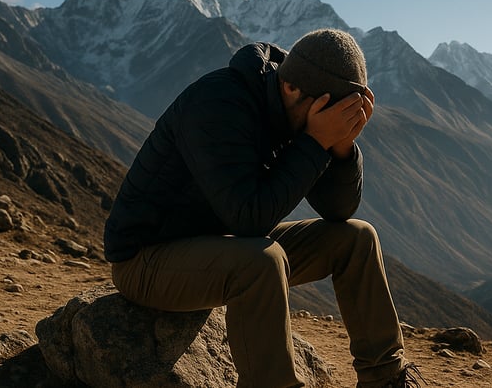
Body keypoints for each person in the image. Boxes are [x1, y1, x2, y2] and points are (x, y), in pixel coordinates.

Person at [103, 29, 422, 388]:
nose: (332, 121)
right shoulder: (218, 102)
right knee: (262, 261)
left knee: (357, 238)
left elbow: (339, 211)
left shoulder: (297, 105)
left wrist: (341, 147)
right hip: (146, 260)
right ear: (291, 88)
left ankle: (385, 379)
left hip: (220, 244)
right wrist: (316, 141)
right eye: (331, 112)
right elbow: (248, 218)